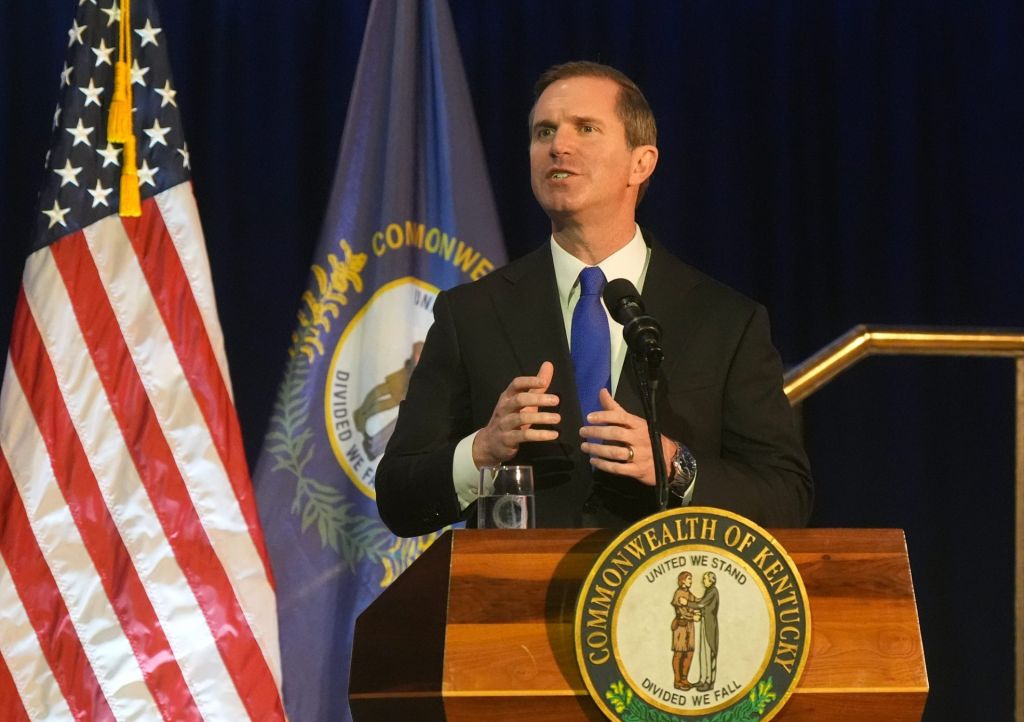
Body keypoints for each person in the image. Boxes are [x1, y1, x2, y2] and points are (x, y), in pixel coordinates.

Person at [376, 61, 812, 535]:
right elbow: (399, 498)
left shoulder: (727, 321)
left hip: (664, 596)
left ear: (640, 163)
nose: (558, 146)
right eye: (544, 132)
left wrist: (674, 465)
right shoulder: (472, 314)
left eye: (585, 128)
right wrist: (480, 450)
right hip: (518, 604)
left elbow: (786, 497)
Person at [687, 571, 720, 692]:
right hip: (705, 624)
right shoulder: (709, 591)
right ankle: (702, 679)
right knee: (703, 653)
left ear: (711, 581)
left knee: (709, 654)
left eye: (704, 579)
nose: (703, 581)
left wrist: (688, 603)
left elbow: (701, 604)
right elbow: (705, 607)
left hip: (710, 626)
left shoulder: (712, 591)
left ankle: (709, 682)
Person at [671, 571, 698, 690]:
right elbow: (682, 611)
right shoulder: (678, 593)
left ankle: (684, 679)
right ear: (682, 580)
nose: (691, 581)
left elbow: (696, 602)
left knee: (689, 653)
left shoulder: (689, 594)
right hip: (681, 627)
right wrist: (693, 616)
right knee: (679, 653)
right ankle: (677, 681)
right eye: (689, 579)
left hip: (690, 627)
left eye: (691, 579)